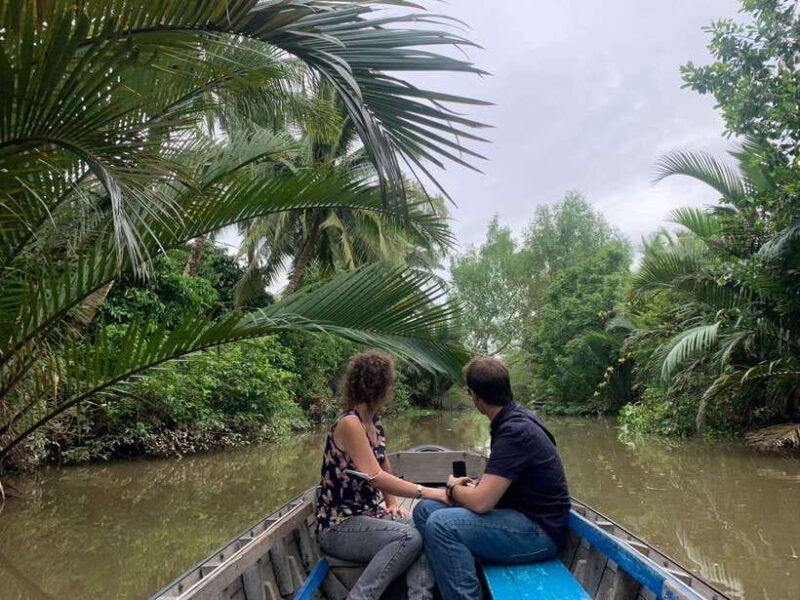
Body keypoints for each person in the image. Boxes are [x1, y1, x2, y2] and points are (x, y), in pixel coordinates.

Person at [413, 357, 571, 600]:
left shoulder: (515, 431)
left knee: (441, 524)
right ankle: (453, 580)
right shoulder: (511, 420)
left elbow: (480, 503)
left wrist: (453, 488)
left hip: (539, 532)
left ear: (476, 397)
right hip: (515, 515)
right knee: (424, 510)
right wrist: (471, 490)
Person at [316, 352, 447, 600]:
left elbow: (382, 461)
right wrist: (429, 491)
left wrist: (392, 503)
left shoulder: (374, 423)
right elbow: (375, 477)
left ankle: (420, 597)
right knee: (409, 537)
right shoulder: (350, 423)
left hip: (368, 514)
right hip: (339, 525)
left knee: (428, 528)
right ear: (382, 387)